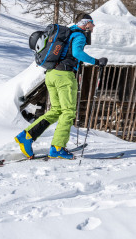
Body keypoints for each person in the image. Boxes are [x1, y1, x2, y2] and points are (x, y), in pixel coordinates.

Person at [15, 13, 108, 160]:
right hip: (64, 76)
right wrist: (96, 61)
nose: (93, 26)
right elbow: (77, 52)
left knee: (57, 110)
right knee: (68, 112)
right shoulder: (79, 35)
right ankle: (57, 148)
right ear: (85, 23)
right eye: (92, 23)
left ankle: (26, 136)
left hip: (51, 74)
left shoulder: (67, 35)